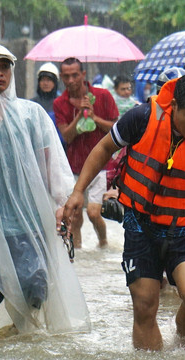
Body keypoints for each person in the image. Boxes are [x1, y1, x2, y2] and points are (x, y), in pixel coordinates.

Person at [62, 73, 185, 350]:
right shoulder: (141, 118)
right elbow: (104, 148)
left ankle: (181, 345)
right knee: (145, 307)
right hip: (140, 227)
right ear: (175, 105)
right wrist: (78, 192)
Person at [0, 41, 90, 340]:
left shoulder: (31, 115)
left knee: (34, 292)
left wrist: (60, 205)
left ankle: (21, 346)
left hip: (26, 223)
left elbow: (50, 164)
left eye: (4, 66)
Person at [53, 57, 119, 248]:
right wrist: (78, 117)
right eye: (66, 76)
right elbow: (66, 136)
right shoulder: (60, 103)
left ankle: (103, 244)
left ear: (83, 74)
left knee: (93, 212)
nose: (71, 80)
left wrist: (94, 117)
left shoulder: (103, 95)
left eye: (75, 75)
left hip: (100, 165)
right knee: (74, 215)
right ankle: (79, 253)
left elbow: (115, 128)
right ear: (61, 77)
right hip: (73, 166)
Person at [30, 62, 65, 147]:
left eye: (49, 80)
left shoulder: (61, 103)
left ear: (55, 82)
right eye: (43, 80)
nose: (45, 83)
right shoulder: (32, 104)